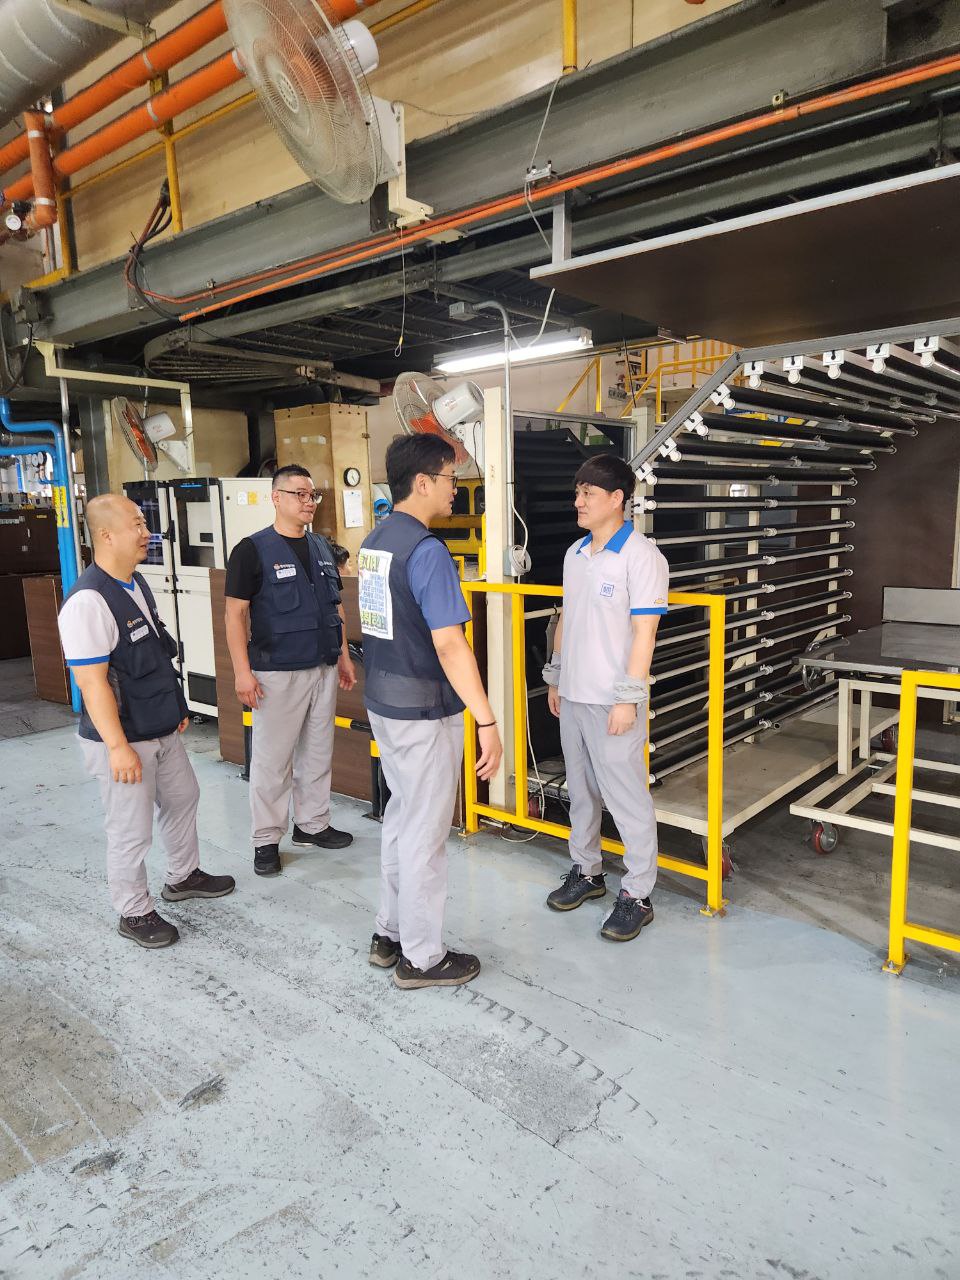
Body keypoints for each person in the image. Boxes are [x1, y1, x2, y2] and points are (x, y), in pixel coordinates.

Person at [57, 494, 235, 949]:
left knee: (183, 797)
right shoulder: (88, 602)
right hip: (123, 738)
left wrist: (175, 710)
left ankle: (183, 876)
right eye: (136, 524)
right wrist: (118, 748)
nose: (146, 532)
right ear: (106, 535)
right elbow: (93, 683)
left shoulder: (135, 583)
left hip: (160, 726)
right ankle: (133, 911)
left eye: (144, 522)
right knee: (130, 829)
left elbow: (153, 656)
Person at [359, 435, 503, 990]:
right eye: (449, 479)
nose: (454, 489)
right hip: (423, 713)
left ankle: (389, 933)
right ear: (422, 483)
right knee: (425, 835)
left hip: (386, 704)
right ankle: (421, 958)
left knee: (402, 820)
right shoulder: (427, 552)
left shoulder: (376, 541)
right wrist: (486, 719)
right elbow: (450, 644)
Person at [542, 453, 669, 941]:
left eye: (588, 493)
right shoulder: (575, 554)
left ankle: (637, 893)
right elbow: (566, 619)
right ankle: (588, 870)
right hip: (574, 696)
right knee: (581, 792)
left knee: (627, 798)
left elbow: (645, 635)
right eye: (577, 492)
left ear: (617, 498)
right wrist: (555, 677)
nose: (579, 501)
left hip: (614, 700)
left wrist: (627, 698)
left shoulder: (642, 556)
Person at [225, 464, 357, 877]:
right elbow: (234, 615)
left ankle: (312, 824)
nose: (308, 501)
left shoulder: (321, 547)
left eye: (312, 494)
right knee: (273, 760)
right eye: (299, 493)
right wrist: (242, 672)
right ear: (275, 497)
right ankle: (266, 839)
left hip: (323, 666)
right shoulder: (252, 550)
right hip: (278, 672)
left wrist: (343, 655)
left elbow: (335, 606)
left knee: (317, 752)